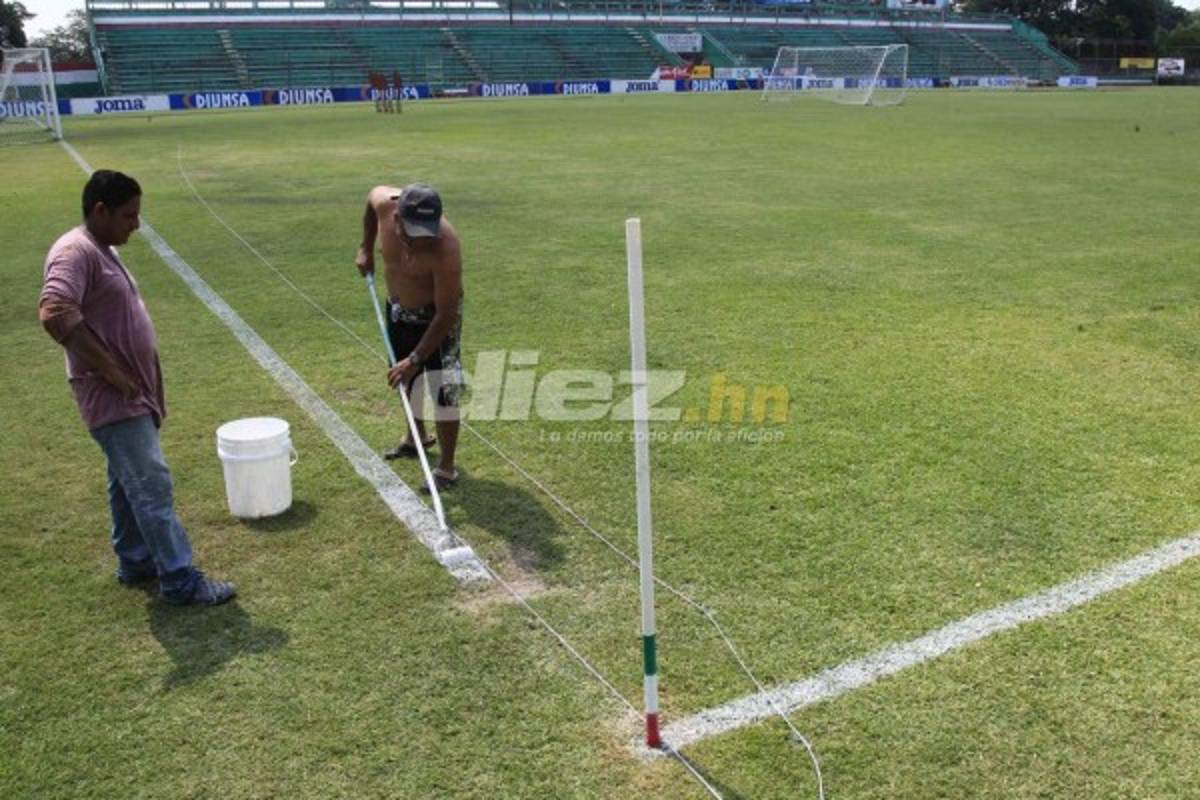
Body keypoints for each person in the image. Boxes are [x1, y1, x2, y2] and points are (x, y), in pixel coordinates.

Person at [39, 170, 236, 606]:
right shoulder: (75, 252)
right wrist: (112, 371)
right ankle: (179, 578)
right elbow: (55, 312)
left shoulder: (99, 248)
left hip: (128, 391)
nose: (136, 225)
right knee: (151, 485)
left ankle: (134, 560)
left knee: (125, 478)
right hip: (112, 395)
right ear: (100, 211)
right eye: (129, 215)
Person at [355, 183, 464, 490]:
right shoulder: (384, 203)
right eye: (413, 233)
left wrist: (417, 358)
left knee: (443, 388)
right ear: (397, 217)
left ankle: (446, 468)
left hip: (437, 318)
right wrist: (365, 246)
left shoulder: (446, 247)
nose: (420, 242)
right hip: (398, 310)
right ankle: (416, 438)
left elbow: (447, 314)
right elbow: (370, 198)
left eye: (426, 233)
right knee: (405, 379)